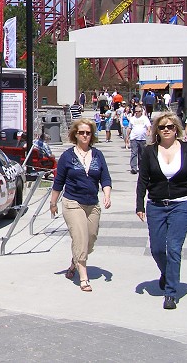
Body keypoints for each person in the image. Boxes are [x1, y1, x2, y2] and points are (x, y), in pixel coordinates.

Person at [136, 112, 187, 310]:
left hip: (181, 204)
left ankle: (170, 293)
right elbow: (142, 180)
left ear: (176, 129)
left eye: (170, 126)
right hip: (156, 205)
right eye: (162, 127)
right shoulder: (150, 151)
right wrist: (139, 204)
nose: (166, 129)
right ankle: (167, 274)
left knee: (174, 249)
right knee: (158, 249)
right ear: (157, 131)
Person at [50, 118, 112, 292]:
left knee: (90, 240)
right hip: (72, 202)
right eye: (81, 132)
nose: (85, 135)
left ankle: (74, 262)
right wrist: (53, 203)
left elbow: (105, 177)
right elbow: (58, 181)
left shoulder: (98, 155)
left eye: (88, 132)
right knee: (80, 238)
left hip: (92, 203)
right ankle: (83, 276)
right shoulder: (67, 156)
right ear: (75, 134)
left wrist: (107, 194)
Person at [127, 105, 151, 174]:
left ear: (141, 112)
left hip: (142, 139)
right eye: (136, 111)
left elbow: (148, 126)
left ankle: (141, 167)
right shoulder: (132, 119)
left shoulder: (145, 118)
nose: (137, 113)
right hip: (134, 138)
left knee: (142, 154)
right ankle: (133, 168)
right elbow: (129, 128)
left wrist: (148, 131)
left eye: (139, 111)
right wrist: (127, 137)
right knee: (134, 153)